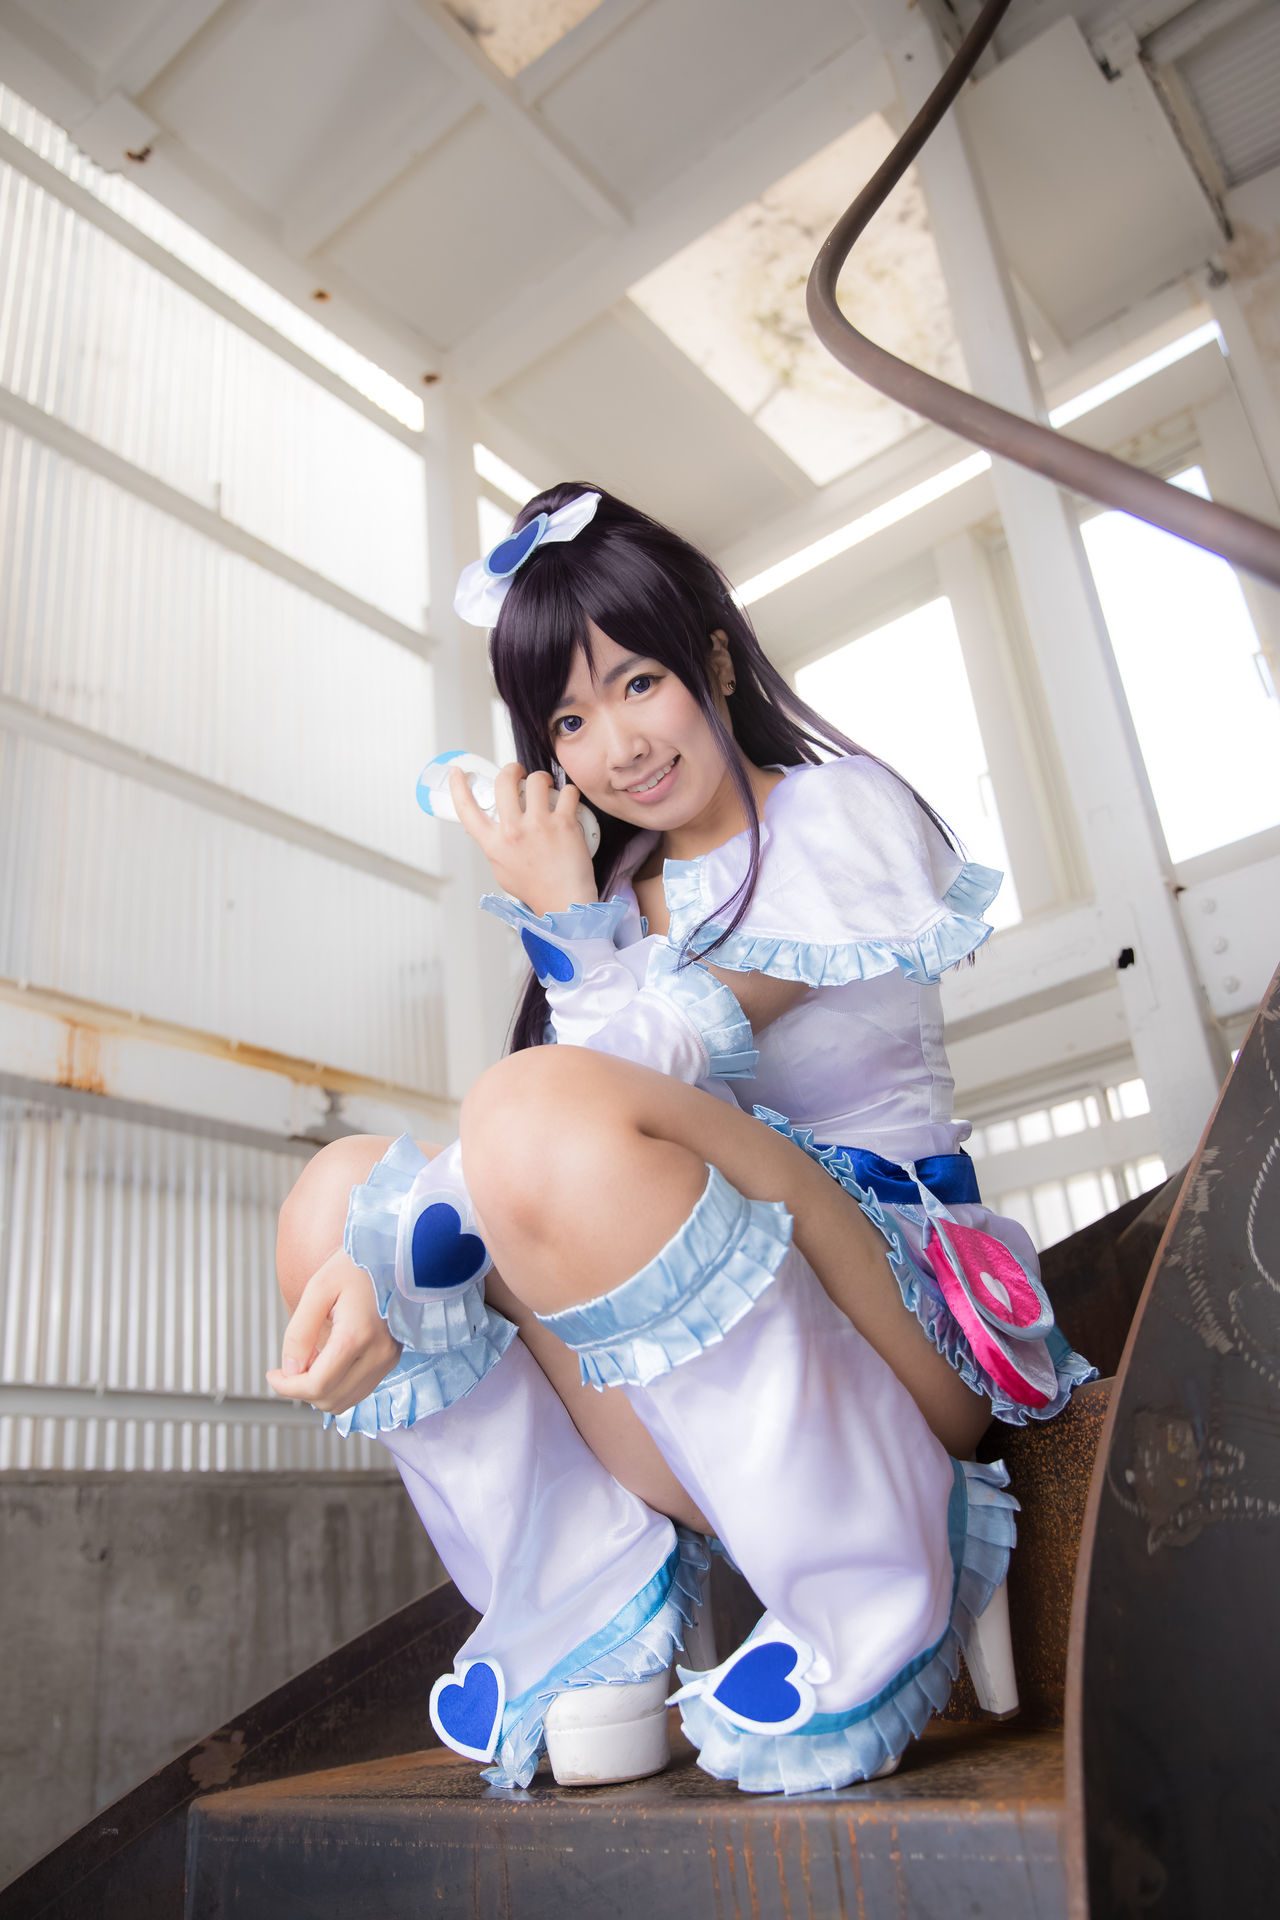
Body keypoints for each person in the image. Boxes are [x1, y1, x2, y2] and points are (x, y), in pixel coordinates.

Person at [269, 485, 1094, 1796]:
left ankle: (876, 1569)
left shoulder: (837, 815)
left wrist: (569, 925)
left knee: (517, 1114)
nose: (617, 747)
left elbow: (654, 1062)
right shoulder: (614, 899)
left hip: (895, 1335)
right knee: (336, 1193)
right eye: (569, 721)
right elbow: (550, 1140)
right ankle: (584, 1590)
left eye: (638, 682)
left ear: (713, 658)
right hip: (685, 1407)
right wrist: (381, 1240)